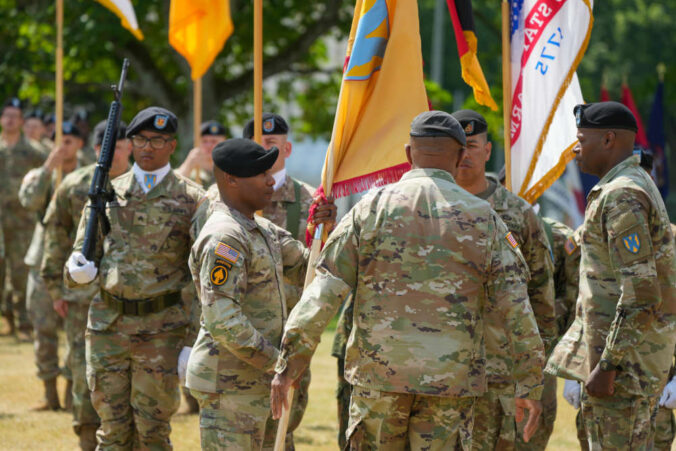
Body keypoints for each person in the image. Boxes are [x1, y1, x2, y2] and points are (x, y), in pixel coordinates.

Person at [271, 111, 545, 450]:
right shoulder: (484, 218)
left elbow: (323, 292)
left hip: (379, 379)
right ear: (461, 157)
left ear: (407, 154)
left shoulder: (369, 209)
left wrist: (289, 364)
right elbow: (517, 307)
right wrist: (530, 384)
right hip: (450, 385)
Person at [66, 107, 205, 449]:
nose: (148, 147)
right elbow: (83, 257)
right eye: (141, 139)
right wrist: (76, 271)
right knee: (111, 430)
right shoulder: (106, 194)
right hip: (108, 327)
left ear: (172, 145)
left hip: (161, 331)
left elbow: (200, 279)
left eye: (157, 140)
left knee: (152, 431)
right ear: (129, 144)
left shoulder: (192, 199)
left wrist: (192, 339)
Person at [185, 138, 335, 450]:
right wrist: (279, 364)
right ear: (231, 180)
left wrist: (327, 231)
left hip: (262, 382)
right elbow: (223, 319)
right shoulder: (225, 237)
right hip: (230, 386)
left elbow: (309, 269)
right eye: (260, 174)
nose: (271, 181)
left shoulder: (262, 229)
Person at [546, 101, 676, 450]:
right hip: (624, 365)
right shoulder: (621, 187)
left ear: (607, 140)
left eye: (580, 139)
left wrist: (608, 366)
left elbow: (641, 292)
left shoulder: (621, 195)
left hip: (624, 372)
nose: (575, 149)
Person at [450, 109, 556, 450]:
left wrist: (536, 376)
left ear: (488, 150)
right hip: (442, 372)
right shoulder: (430, 207)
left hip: (502, 376)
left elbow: (541, 295)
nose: (464, 154)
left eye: (472, 145)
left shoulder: (517, 213)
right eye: (457, 147)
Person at [40, 119, 131, 450]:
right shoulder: (75, 186)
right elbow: (55, 238)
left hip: (131, 297)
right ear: (97, 150)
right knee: (84, 369)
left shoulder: (143, 186)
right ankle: (86, 438)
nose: (119, 153)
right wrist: (55, 289)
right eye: (112, 147)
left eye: (124, 146)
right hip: (84, 298)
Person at [19, 121, 88, 411]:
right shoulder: (40, 173)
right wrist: (49, 167)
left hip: (78, 263)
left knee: (77, 333)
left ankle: (73, 391)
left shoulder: (91, 176)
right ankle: (49, 394)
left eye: (69, 141)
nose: (63, 146)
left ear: (80, 144)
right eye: (58, 140)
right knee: (43, 328)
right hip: (42, 261)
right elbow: (29, 202)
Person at [0, 97, 47, 340]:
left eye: (14, 116)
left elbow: (48, 177)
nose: (9, 120)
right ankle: (5, 317)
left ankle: (24, 323)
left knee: (19, 272)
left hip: (22, 221)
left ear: (21, 121)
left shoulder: (34, 151)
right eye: (6, 115)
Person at [243, 113, 315, 242]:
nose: (263, 149)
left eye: (270, 142)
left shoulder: (312, 201)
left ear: (286, 149)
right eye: (257, 143)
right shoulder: (226, 197)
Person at [177, 120, 227, 188]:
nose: (209, 145)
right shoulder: (189, 171)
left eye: (214, 141)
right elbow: (171, 187)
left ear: (223, 142)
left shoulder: (229, 171)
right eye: (204, 141)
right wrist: (188, 165)